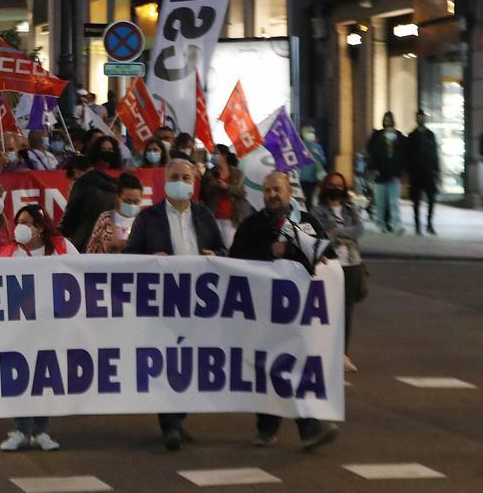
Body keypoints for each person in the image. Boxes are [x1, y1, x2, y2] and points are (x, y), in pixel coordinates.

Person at [228, 171, 339, 450]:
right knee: (269, 369)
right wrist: (269, 253)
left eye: (277, 190)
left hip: (299, 314)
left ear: (290, 192)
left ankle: (304, 428)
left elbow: (327, 259)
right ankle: (272, 426)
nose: (272, 195)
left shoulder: (307, 223)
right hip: (262, 313)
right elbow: (234, 262)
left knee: (291, 367)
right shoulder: (252, 226)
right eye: (267, 191)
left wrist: (302, 255)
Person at [124, 158, 225, 451]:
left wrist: (214, 254)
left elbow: (222, 250)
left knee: (192, 363)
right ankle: (170, 425)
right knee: (167, 362)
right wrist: (149, 261)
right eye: (175, 176)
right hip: (162, 303)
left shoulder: (204, 216)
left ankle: (178, 417)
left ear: (193, 183)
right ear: (165, 181)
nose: (180, 181)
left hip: (198, 303)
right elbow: (129, 257)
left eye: (186, 177)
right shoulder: (148, 218)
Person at [0, 203, 73, 452]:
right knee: (19, 377)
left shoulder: (61, 247)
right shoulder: (8, 252)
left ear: (39, 227)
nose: (21, 226)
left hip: (53, 326)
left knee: (44, 378)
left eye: (27, 222)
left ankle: (41, 431)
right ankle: (19, 429)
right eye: (19, 221)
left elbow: (84, 273)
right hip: (19, 328)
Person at [310, 172, 365, 373]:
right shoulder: (318, 211)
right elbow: (321, 235)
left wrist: (337, 233)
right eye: (332, 185)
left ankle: (344, 353)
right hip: (330, 265)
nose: (336, 188)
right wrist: (343, 237)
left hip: (352, 264)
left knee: (347, 311)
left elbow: (359, 230)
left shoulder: (350, 209)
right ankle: (325, 352)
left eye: (339, 185)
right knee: (328, 311)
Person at [58, 137, 121, 251]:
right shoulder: (114, 185)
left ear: (76, 172)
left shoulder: (81, 184)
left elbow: (69, 220)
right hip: (111, 245)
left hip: (85, 244)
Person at [200, 145, 250, 248]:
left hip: (231, 218)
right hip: (213, 217)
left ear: (224, 156)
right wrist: (211, 185)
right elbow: (203, 195)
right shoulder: (209, 173)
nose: (213, 156)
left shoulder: (236, 173)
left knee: (229, 248)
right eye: (212, 154)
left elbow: (242, 192)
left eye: (216, 154)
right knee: (213, 247)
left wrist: (227, 187)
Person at [364, 111, 405, 233]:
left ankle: (396, 224)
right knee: (380, 203)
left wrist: (401, 171)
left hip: (393, 175)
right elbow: (371, 153)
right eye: (386, 120)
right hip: (380, 175)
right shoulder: (377, 135)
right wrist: (373, 169)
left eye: (389, 120)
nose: (387, 122)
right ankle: (380, 223)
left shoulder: (399, 136)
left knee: (394, 202)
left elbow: (403, 155)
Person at [87, 172, 144, 254]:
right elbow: (92, 249)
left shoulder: (145, 220)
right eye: (127, 201)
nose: (132, 205)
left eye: (136, 201)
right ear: (118, 197)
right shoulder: (106, 218)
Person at [406, 109, 440, 235]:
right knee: (416, 200)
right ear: (416, 119)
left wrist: (436, 170)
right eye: (419, 117)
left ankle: (429, 224)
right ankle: (417, 225)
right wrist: (409, 172)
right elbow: (408, 155)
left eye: (422, 117)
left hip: (429, 171)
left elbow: (435, 154)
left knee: (431, 199)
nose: (421, 119)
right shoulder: (412, 136)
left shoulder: (430, 135)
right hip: (416, 173)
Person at [299, 124, 328, 208]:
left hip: (313, 179)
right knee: (301, 199)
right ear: (303, 134)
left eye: (312, 132)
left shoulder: (317, 147)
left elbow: (323, 161)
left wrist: (318, 155)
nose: (311, 134)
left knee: (310, 199)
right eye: (308, 132)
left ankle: (310, 214)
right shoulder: (299, 146)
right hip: (301, 178)